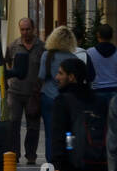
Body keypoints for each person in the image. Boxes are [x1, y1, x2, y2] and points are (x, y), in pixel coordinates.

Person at [48, 57, 107, 171]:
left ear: (72, 77)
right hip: (94, 167)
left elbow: (59, 135)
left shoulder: (63, 101)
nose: (57, 77)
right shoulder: (99, 101)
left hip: (68, 168)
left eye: (61, 73)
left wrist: (57, 165)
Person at [38, 26, 88, 163]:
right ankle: (68, 157)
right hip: (68, 100)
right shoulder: (73, 58)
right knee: (69, 131)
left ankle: (51, 162)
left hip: (48, 97)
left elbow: (41, 76)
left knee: (50, 132)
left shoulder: (46, 56)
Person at [4, 18, 44, 165]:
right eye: (22, 29)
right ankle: (14, 154)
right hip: (15, 92)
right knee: (13, 123)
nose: (25, 32)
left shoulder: (42, 47)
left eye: (28, 29)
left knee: (33, 126)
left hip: (34, 93)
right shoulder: (13, 46)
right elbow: (7, 62)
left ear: (33, 29)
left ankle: (31, 155)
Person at [85, 23, 117, 107]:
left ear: (98, 35)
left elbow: (88, 75)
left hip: (97, 91)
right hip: (116, 91)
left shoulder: (90, 52)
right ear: (112, 36)